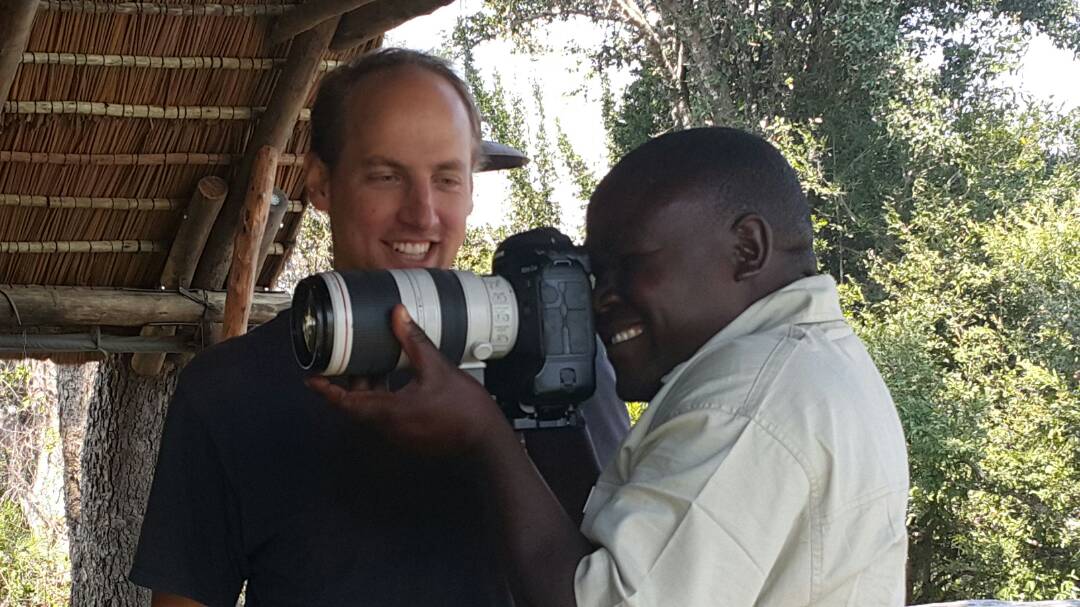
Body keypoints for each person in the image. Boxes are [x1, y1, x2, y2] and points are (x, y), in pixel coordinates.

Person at [309, 127, 911, 606]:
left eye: (631, 265)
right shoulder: (810, 367)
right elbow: (609, 550)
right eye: (594, 273)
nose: (601, 298)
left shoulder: (745, 405)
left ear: (746, 249)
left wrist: (483, 434)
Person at [129, 48, 629, 607]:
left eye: (446, 179)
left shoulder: (554, 358)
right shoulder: (231, 388)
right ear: (320, 183)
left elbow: (630, 574)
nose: (422, 213)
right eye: (387, 176)